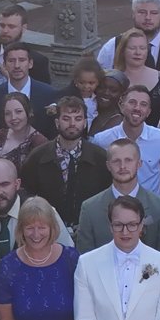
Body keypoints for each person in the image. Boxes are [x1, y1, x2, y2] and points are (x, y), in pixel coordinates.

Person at [74, 136, 160, 252]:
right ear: (108, 166)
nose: (122, 166)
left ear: (139, 164)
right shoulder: (90, 208)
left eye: (128, 160)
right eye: (116, 161)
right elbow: (85, 258)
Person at [21, 94, 107, 226]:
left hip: (89, 226)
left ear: (84, 123)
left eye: (78, 119)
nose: (72, 124)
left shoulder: (100, 157)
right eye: (66, 119)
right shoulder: (37, 157)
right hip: (48, 227)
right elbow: (26, 194)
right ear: (57, 123)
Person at [93, 86, 160, 194]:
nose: (137, 108)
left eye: (143, 104)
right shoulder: (101, 140)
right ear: (121, 106)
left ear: (148, 112)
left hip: (152, 206)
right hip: (115, 205)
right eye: (132, 102)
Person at [0, 41, 60, 131]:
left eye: (22, 60)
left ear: (30, 63)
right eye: (11, 61)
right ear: (4, 65)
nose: (17, 66)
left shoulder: (49, 94)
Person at [112, 28, 160, 117]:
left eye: (142, 48)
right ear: (123, 51)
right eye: (132, 48)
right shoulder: (112, 81)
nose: (138, 52)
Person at [0, 4, 52, 83]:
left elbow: (43, 92)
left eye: (11, 26)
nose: (5, 31)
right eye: (2, 25)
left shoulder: (38, 61)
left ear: (23, 28)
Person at [0, 91, 46, 164]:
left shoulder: (39, 142)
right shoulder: (1, 135)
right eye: (8, 113)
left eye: (18, 111)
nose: (13, 117)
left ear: (29, 112)